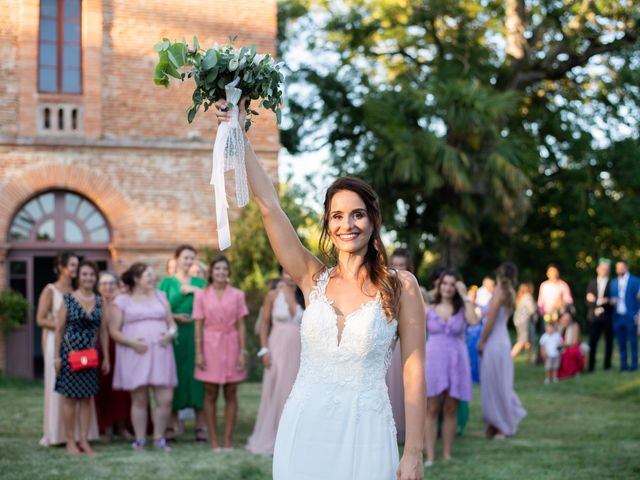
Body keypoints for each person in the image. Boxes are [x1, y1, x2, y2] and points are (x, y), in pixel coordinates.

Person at [216, 97, 426, 480]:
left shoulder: (402, 287)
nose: (348, 224)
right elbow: (269, 207)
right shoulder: (312, 278)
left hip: (367, 428)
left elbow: (414, 371)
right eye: (338, 216)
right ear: (328, 225)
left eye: (358, 214)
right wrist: (238, 130)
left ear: (373, 220)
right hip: (305, 425)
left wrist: (413, 453)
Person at [109, 262, 178, 450]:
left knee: (165, 399)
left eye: (152, 274)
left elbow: (172, 324)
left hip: (161, 353)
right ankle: (140, 439)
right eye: (148, 275)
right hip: (135, 352)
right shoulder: (122, 301)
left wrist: (170, 334)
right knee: (139, 399)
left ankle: (159, 438)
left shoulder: (161, 297)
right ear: (137, 279)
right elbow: (113, 330)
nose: (152, 278)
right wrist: (131, 342)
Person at [37, 252, 99, 446]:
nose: (75, 268)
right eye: (72, 265)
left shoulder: (77, 291)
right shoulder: (50, 290)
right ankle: (56, 435)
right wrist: (61, 325)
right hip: (55, 342)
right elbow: (40, 319)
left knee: (82, 391)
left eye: (76, 265)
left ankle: (80, 435)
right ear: (61, 267)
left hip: (80, 347)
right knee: (59, 389)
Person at [193, 255, 249, 450]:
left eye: (225, 269)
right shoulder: (201, 294)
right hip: (210, 344)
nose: (221, 272)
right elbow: (198, 325)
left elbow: (241, 325)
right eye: (217, 269)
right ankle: (214, 441)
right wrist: (198, 352)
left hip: (231, 343)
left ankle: (228, 440)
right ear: (211, 271)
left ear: (228, 273)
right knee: (210, 393)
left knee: (231, 392)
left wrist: (243, 351)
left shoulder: (237, 295)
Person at [54, 260, 109, 455]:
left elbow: (103, 331)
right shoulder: (68, 299)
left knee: (86, 399)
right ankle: (70, 441)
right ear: (79, 276)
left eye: (92, 275)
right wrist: (56, 358)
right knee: (69, 399)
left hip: (91, 357)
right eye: (84, 274)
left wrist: (107, 358)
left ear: (96, 278)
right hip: (69, 355)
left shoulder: (100, 301)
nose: (88, 278)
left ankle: (84, 441)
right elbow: (59, 330)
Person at [246, 267, 304, 455]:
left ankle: (295, 438)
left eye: (293, 272)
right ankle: (274, 436)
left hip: (300, 351)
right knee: (276, 389)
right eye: (286, 272)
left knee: (295, 391)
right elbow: (263, 323)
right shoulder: (272, 295)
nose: (290, 276)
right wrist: (264, 350)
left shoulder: (305, 294)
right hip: (277, 348)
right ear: (281, 274)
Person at [424, 270, 478, 466]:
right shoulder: (428, 307)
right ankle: (430, 456)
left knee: (450, 409)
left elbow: (474, 321)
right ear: (440, 285)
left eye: (452, 284)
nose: (448, 287)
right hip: (434, 360)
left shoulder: (463, 308)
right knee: (431, 408)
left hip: (457, 360)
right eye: (445, 283)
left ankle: (446, 453)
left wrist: (465, 296)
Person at [158, 245, 207, 442]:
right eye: (185, 258)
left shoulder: (200, 282)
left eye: (191, 258)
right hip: (175, 335)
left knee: (197, 378)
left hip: (196, 335)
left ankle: (200, 426)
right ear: (176, 258)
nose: (188, 261)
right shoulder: (166, 283)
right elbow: (158, 306)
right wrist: (174, 316)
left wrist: (195, 290)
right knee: (174, 377)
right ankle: (171, 425)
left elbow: (211, 302)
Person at [478, 262, 526, 440]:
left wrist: (482, 341)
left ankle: (502, 425)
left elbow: (491, 320)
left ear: (499, 274)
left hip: (494, 342)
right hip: (503, 340)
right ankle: (494, 424)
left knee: (495, 384)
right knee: (497, 382)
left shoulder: (499, 292)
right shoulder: (509, 292)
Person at [385, 248, 427, 443]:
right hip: (388, 346)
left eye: (402, 265)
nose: (398, 269)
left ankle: (407, 432)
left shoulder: (415, 289)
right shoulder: (383, 288)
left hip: (409, 345)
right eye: (395, 265)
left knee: (409, 385)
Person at [95, 271, 133, 441]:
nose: (108, 287)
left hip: (122, 347)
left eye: (111, 283)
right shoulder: (95, 304)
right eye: (103, 283)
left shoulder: (123, 302)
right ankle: (106, 427)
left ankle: (123, 427)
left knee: (123, 391)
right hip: (101, 350)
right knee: (104, 390)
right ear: (98, 286)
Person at [609, 260, 640, 371]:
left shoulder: (635, 281)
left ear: (626, 268)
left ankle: (634, 364)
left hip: (630, 316)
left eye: (620, 267)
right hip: (617, 316)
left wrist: (638, 315)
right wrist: (611, 301)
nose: (618, 269)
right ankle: (623, 365)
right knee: (621, 341)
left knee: (633, 341)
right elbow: (611, 297)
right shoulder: (613, 282)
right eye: (617, 267)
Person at [586, 258, 613, 372]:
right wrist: (598, 303)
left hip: (607, 316)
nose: (604, 271)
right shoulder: (592, 283)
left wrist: (603, 301)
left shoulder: (612, 283)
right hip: (594, 317)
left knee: (609, 341)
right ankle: (591, 366)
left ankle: (607, 365)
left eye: (606, 269)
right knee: (593, 341)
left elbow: (612, 301)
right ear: (598, 270)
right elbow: (588, 300)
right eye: (602, 269)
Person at [511, 283, 537, 363]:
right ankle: (510, 357)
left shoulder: (520, 297)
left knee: (528, 340)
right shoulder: (527, 296)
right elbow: (532, 309)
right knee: (522, 340)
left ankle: (529, 359)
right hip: (525, 321)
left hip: (518, 321)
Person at [557, 307, 585, 379]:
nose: (566, 320)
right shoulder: (558, 325)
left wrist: (564, 345)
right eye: (564, 318)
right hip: (561, 346)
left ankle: (573, 371)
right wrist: (561, 328)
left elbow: (575, 342)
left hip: (572, 345)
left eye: (568, 318)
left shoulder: (575, 326)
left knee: (572, 352)